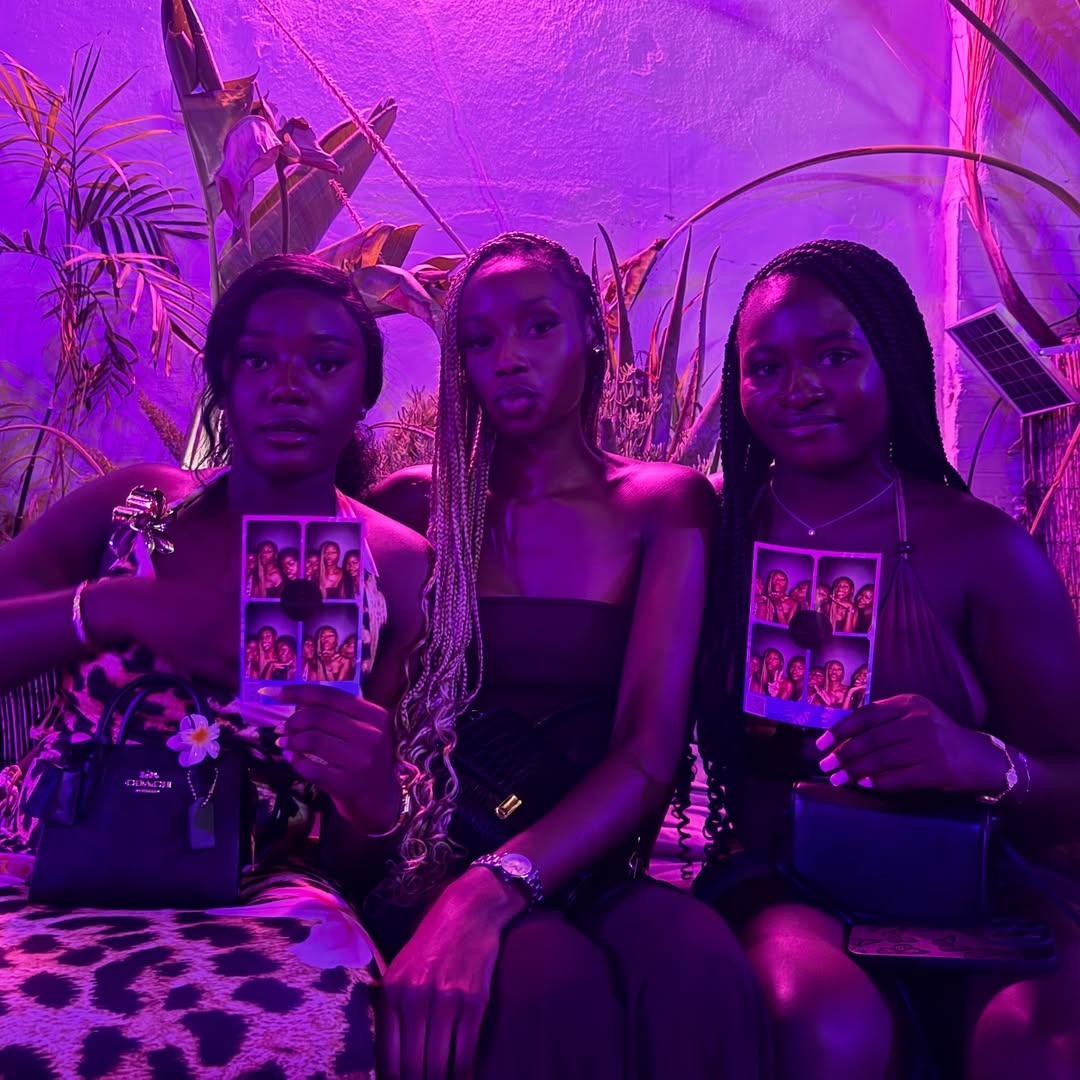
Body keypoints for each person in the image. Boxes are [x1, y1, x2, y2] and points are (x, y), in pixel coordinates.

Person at [0, 254, 431, 1076]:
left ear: (365, 391)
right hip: (40, 860)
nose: (288, 386)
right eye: (258, 360)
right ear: (224, 381)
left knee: (324, 1021)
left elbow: (355, 856)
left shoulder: (398, 565)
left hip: (254, 885)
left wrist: (373, 798)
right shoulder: (142, 507)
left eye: (326, 363)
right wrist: (110, 607)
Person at [370, 232, 766, 1079]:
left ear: (592, 329)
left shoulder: (663, 504)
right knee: (551, 984)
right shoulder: (413, 507)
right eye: (478, 340)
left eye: (538, 327)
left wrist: (497, 887)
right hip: (431, 853)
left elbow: (648, 749)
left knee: (696, 967)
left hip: (591, 857)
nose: (507, 358)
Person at [695, 238, 1080, 1080]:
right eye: (765, 367)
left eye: (836, 356)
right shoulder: (707, 533)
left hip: (977, 872)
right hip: (784, 877)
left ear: (895, 358)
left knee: (1039, 1041)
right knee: (820, 1021)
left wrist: (985, 760)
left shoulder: (984, 549)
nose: (801, 387)